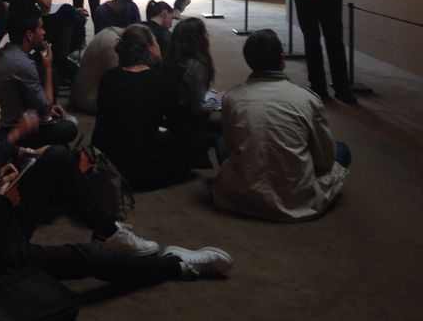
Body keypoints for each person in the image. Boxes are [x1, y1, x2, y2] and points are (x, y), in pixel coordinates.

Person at [0, 52, 233, 292]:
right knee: (88, 258)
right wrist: (5, 201)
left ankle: (109, 230)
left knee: (57, 157)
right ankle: (175, 265)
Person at [0, 39, 158, 252]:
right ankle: (107, 229)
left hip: (4, 178)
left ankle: (105, 225)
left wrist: (29, 150)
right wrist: (17, 134)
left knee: (66, 156)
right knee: (61, 150)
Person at [211, 29, 351, 222]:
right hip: (295, 199)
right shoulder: (307, 99)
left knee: (221, 143)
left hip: (243, 194)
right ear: (281, 58)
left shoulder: (232, 98)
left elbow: (234, 146)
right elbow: (325, 160)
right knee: (342, 150)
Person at [92, 25, 198, 189]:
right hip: (139, 171)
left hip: (104, 161)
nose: (159, 45)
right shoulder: (160, 82)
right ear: (149, 48)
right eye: (156, 41)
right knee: (200, 141)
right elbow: (180, 131)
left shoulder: (109, 77)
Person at [0, 13, 78, 148]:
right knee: (70, 128)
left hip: (8, 118)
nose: (44, 32)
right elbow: (45, 110)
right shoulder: (23, 64)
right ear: (29, 35)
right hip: (9, 130)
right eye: (40, 28)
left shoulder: (5, 51)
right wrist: (47, 67)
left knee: (62, 145)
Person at [161, 17, 222, 168]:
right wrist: (218, 99)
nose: (208, 36)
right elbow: (198, 109)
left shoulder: (172, 60)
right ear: (197, 40)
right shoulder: (197, 66)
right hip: (188, 121)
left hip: (171, 118)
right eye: (205, 34)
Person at [68, 25, 124, 114]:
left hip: (83, 95)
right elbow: (121, 82)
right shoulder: (111, 44)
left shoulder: (108, 33)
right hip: (90, 99)